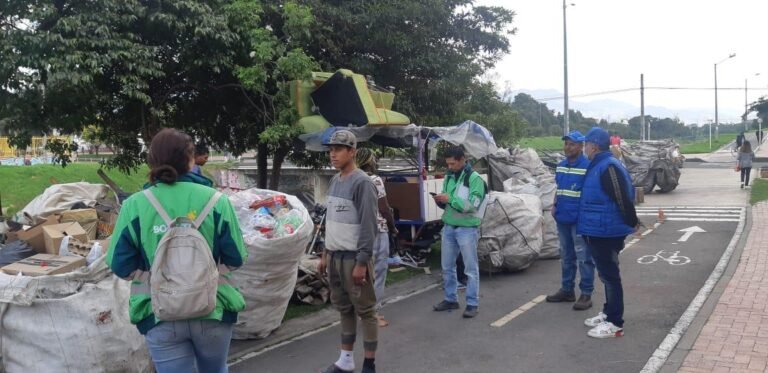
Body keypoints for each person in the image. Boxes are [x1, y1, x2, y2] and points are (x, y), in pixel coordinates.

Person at [107, 128, 247, 372]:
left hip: (158, 312)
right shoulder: (217, 201)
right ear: (190, 160)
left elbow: (119, 264)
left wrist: (153, 278)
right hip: (213, 308)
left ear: (152, 161)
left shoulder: (134, 206)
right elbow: (236, 257)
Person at [317, 130, 380, 373]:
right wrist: (325, 254)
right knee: (344, 308)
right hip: (334, 256)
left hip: (354, 257)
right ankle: (345, 360)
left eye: (338, 149)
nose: (333, 154)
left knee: (365, 310)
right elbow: (329, 222)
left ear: (352, 152)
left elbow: (368, 226)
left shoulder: (362, 183)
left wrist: (362, 262)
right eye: (331, 150)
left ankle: (369, 364)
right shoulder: (334, 181)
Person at [579, 127, 639, 339]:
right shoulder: (597, 164)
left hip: (607, 230)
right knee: (605, 275)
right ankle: (607, 312)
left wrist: (633, 222)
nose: (584, 148)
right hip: (596, 229)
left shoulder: (609, 166)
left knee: (611, 276)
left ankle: (615, 322)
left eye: (586, 144)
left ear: (594, 145)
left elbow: (622, 197)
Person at [432, 147, 487, 318]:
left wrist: (450, 199)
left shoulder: (474, 179)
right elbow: (450, 201)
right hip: (449, 226)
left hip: (467, 228)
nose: (450, 166)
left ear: (463, 159)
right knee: (447, 267)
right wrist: (441, 200)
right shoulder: (449, 176)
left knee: (470, 269)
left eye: (453, 163)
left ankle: (472, 303)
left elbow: (472, 205)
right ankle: (451, 298)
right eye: (447, 163)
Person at [546, 131, 595, 311]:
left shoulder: (588, 167)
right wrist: (554, 204)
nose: (568, 147)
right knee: (566, 256)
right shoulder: (560, 166)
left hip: (579, 220)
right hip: (563, 218)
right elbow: (560, 188)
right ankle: (567, 290)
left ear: (581, 146)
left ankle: (586, 293)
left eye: (572, 144)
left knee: (584, 257)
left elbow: (590, 193)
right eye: (566, 144)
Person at [355, 147, 398, 327]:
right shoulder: (374, 179)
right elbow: (384, 207)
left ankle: (361, 310)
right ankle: (373, 312)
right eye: (374, 158)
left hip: (358, 231)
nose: (376, 161)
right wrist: (393, 227)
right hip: (378, 230)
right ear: (369, 160)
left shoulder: (352, 179)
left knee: (362, 272)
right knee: (378, 272)